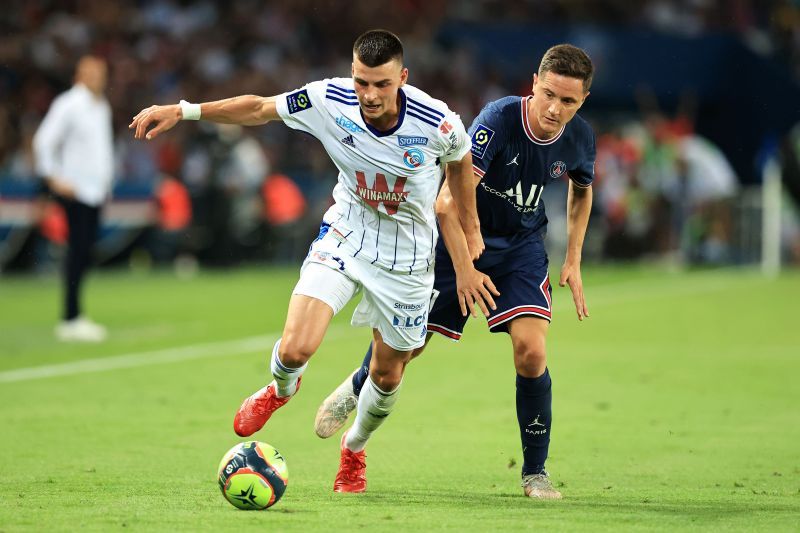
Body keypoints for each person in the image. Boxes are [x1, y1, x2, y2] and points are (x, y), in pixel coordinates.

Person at [129, 30, 487, 494]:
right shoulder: (327, 98)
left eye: (381, 84)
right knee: (297, 347)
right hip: (346, 234)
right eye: (362, 82)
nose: (369, 95)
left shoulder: (438, 122)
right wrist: (184, 110)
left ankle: (354, 450)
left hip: (408, 258)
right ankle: (280, 389)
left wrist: (472, 227)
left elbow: (460, 163)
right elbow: (259, 108)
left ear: (402, 77)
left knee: (387, 372)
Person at [314, 44, 596, 500]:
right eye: (548, 94)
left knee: (531, 352)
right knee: (408, 351)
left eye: (568, 101)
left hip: (520, 251)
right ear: (534, 84)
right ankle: (359, 383)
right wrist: (465, 269)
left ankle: (535, 473)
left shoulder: (580, 137)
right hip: (456, 244)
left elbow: (582, 191)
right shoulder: (499, 120)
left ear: (582, 101)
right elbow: (447, 203)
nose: (554, 108)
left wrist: (574, 260)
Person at [33, 55, 113, 342]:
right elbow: (44, 140)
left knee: (85, 253)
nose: (96, 78)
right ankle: (70, 317)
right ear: (78, 75)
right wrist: (53, 177)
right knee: (77, 253)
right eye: (90, 72)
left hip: (94, 191)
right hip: (76, 190)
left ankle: (75, 315)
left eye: (100, 72)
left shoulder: (100, 105)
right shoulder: (69, 104)